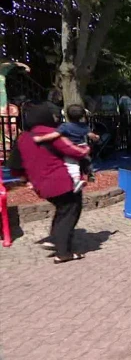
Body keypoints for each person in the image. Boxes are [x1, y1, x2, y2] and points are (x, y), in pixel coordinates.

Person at [10, 105, 90, 264]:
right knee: (70, 212)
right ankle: (63, 252)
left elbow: (14, 165)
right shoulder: (49, 133)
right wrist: (86, 149)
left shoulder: (22, 138)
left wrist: (26, 179)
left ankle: (56, 239)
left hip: (41, 184)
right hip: (61, 181)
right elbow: (72, 150)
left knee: (62, 210)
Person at [33, 104, 99, 191]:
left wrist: (40, 138)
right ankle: (90, 174)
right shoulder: (84, 126)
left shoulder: (65, 126)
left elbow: (54, 135)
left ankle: (76, 181)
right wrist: (96, 137)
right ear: (82, 115)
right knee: (87, 160)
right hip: (83, 148)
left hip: (71, 148)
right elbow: (91, 135)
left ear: (67, 115)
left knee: (72, 164)